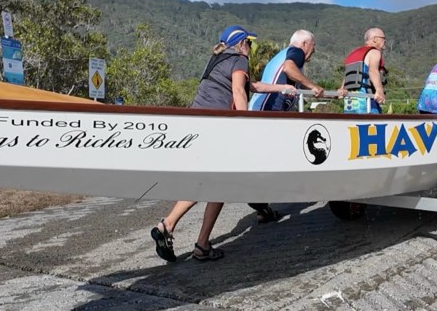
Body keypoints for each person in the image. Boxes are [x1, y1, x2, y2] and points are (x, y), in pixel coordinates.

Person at [150, 25, 297, 263]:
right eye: (249, 43)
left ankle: (168, 225)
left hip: (196, 123)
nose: (250, 48)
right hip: (217, 127)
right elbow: (239, 92)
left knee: (206, 181)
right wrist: (247, 126)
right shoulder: (239, 59)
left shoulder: (218, 60)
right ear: (241, 44)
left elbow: (252, 86)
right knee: (219, 185)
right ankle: (201, 244)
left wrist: (282, 87)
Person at [246, 29, 326, 222]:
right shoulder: (296, 52)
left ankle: (262, 206)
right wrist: (312, 86)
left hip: (262, 109)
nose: (312, 53)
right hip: (267, 111)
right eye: (313, 48)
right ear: (306, 44)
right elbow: (289, 68)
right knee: (280, 155)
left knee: (270, 155)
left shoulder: (284, 55)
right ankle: (258, 196)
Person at [342, 28, 387, 114]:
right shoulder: (374, 52)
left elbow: (347, 76)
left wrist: (342, 89)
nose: (384, 43)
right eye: (383, 39)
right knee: (371, 126)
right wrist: (379, 90)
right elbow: (373, 71)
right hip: (367, 101)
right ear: (375, 39)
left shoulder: (352, 54)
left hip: (349, 102)